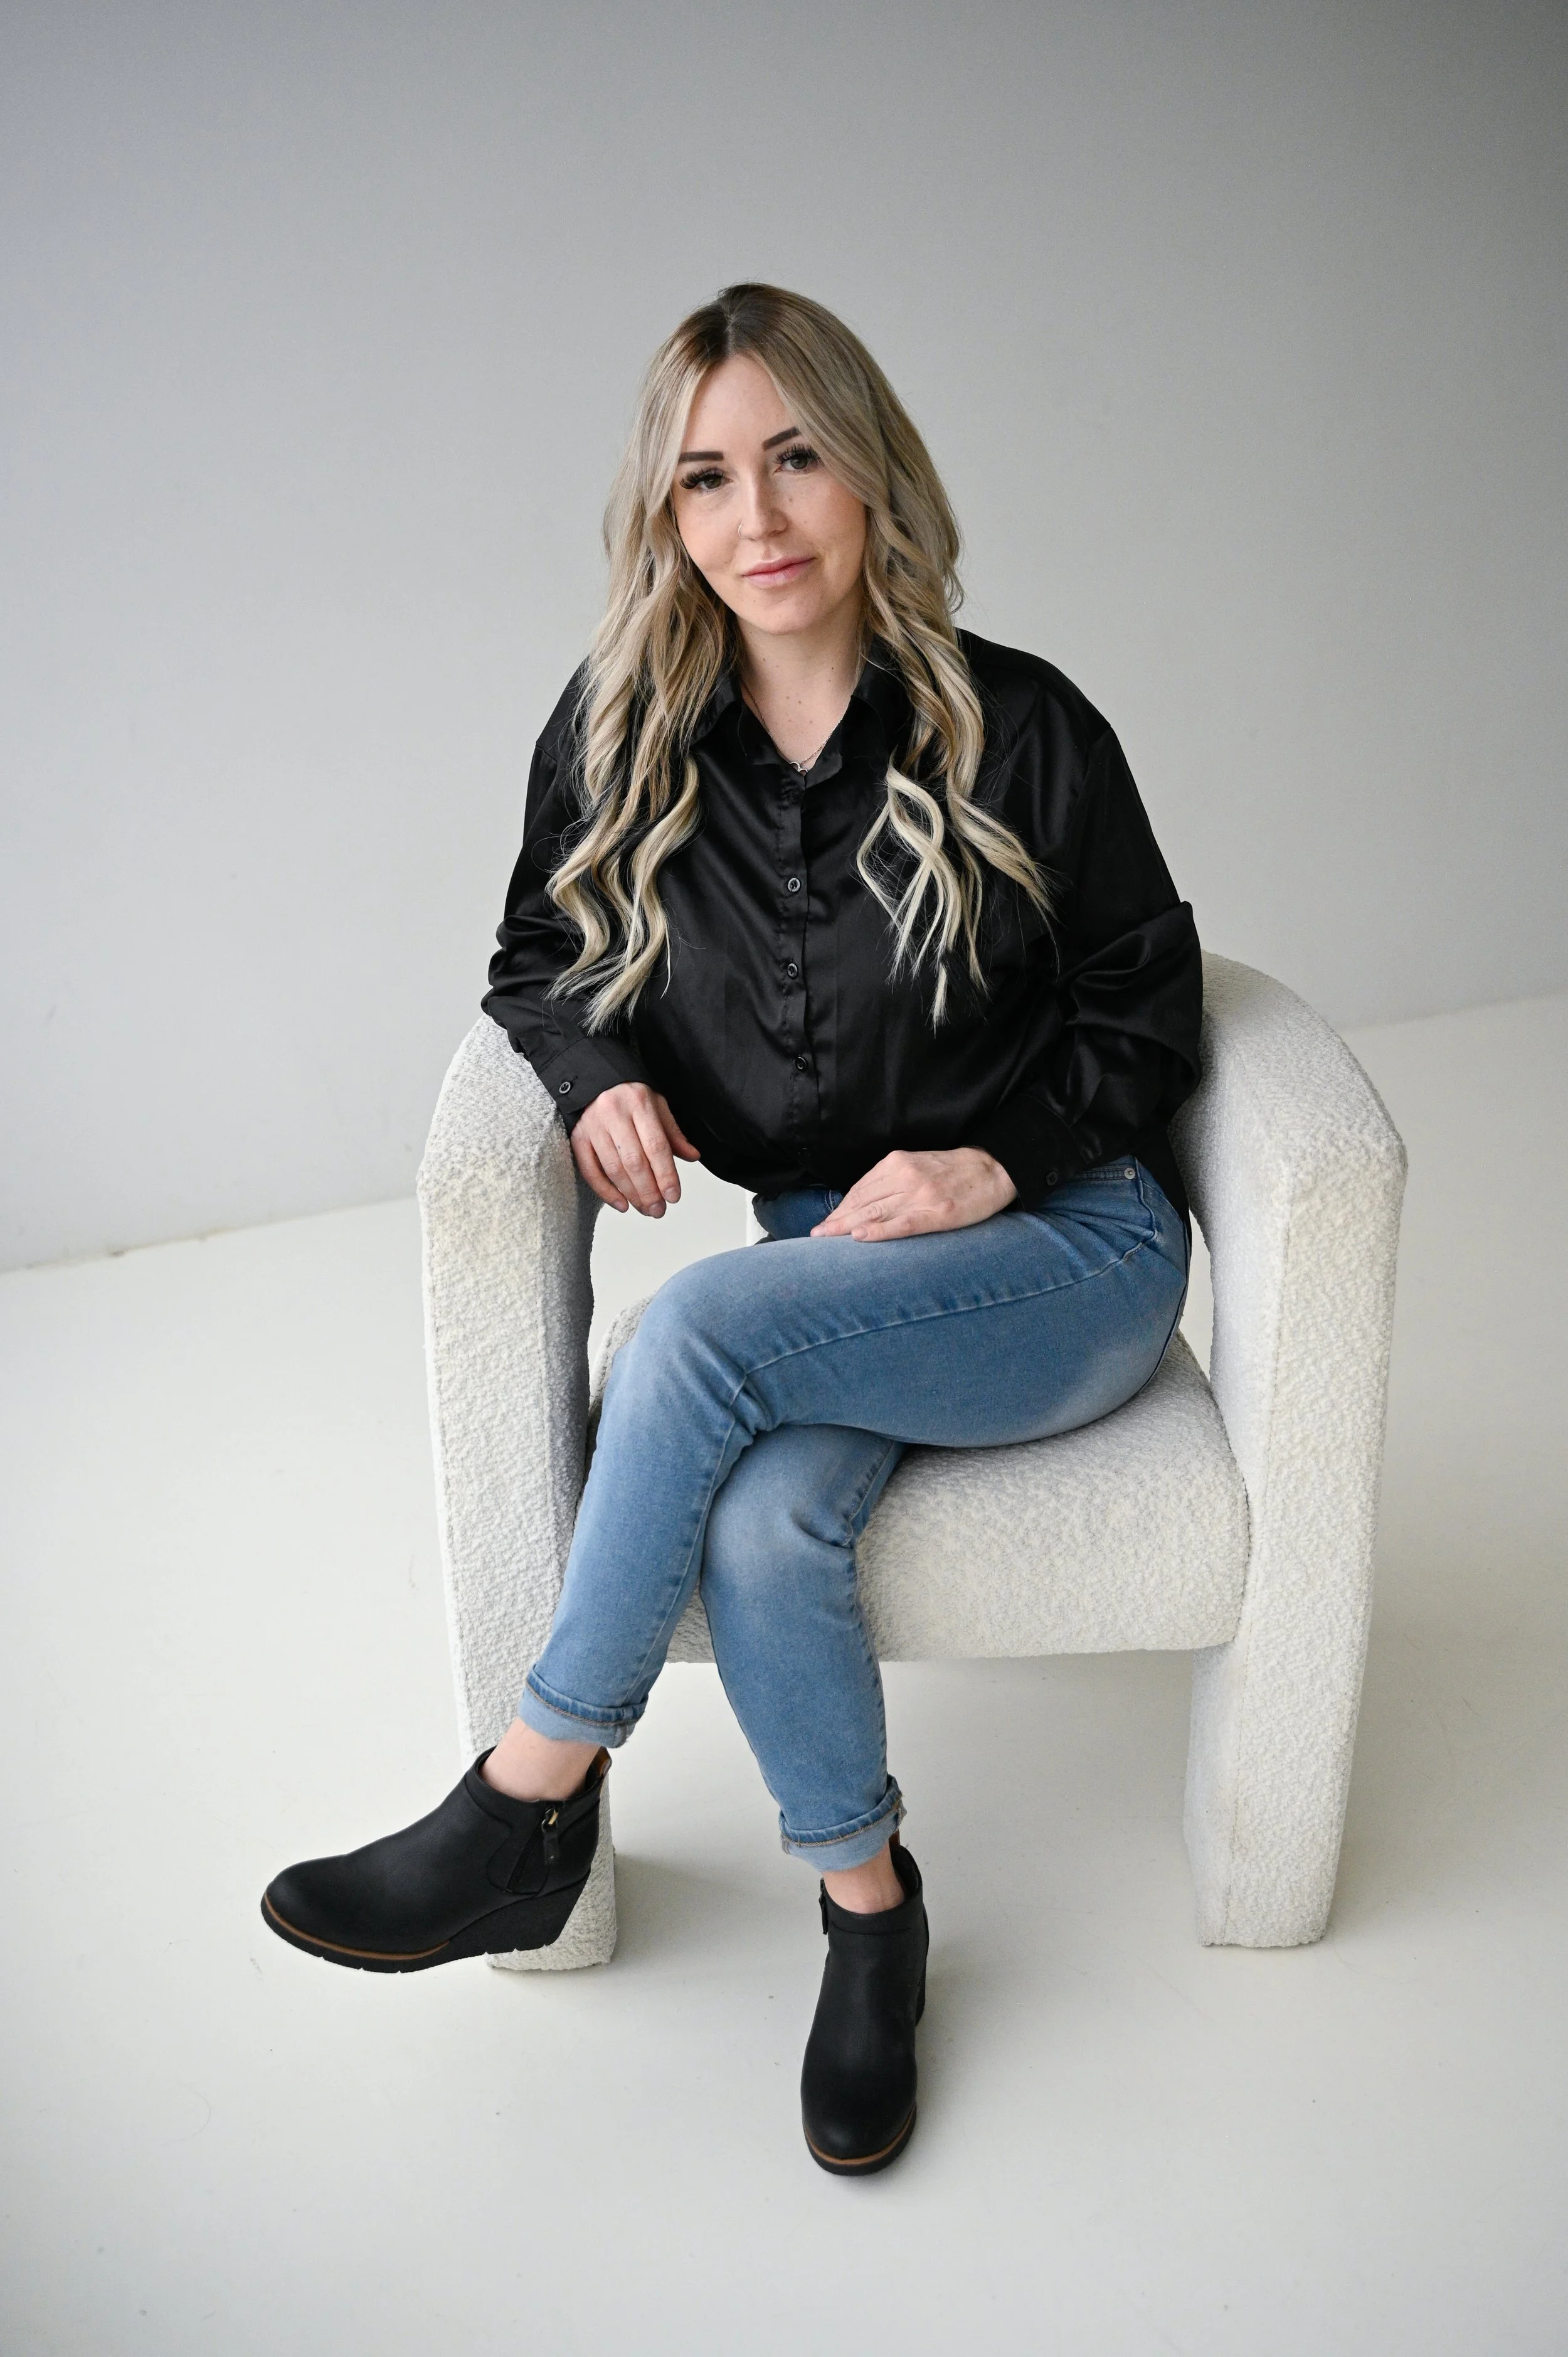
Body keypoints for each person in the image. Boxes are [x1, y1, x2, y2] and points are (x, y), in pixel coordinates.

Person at [261, 283, 1202, 2176]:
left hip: (1066, 1245)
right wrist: (596, 1061)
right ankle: (870, 1912)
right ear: (664, 513)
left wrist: (989, 1162)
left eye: (793, 459)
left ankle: (530, 1797)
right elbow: (540, 957)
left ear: (867, 477)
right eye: (705, 477)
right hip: (832, 1263)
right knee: (771, 1524)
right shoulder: (619, 735)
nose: (755, 516)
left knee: (688, 1337)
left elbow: (1149, 1005)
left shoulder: (1019, 727)